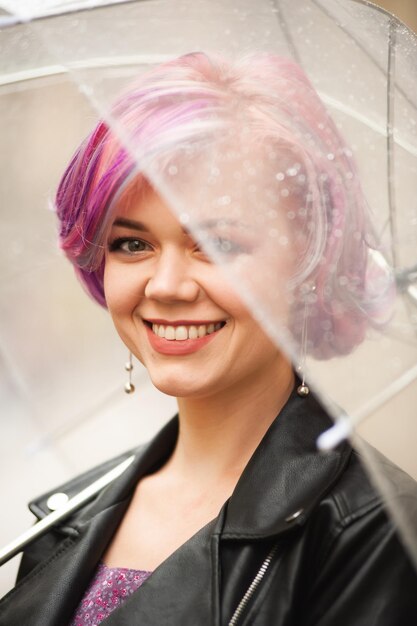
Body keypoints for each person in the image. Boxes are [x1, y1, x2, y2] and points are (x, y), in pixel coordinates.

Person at [0, 52, 416, 626]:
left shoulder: (369, 531)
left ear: (309, 264)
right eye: (131, 244)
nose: (166, 286)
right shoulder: (69, 514)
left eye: (218, 244)